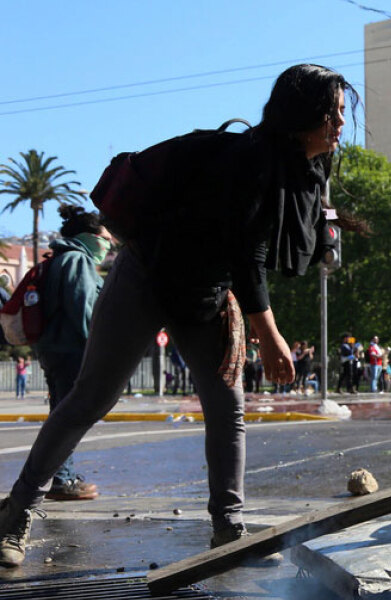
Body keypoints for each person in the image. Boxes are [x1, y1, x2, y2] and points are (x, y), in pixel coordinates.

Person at [0, 63, 357, 568]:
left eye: (343, 112)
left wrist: (333, 229)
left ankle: (228, 528)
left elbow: (280, 240)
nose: (341, 123)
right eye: (333, 112)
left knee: (227, 408)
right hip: (148, 275)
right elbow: (248, 257)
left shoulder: (307, 169)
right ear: (304, 114)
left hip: (205, 293)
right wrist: (270, 335)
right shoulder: (251, 160)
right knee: (89, 399)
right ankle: (16, 512)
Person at [30, 206, 113, 503]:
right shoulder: (77, 260)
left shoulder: (60, 258)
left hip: (55, 348)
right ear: (90, 237)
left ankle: (60, 477)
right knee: (69, 417)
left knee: (61, 414)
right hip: (70, 350)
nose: (109, 244)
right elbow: (84, 309)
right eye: (106, 238)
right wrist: (100, 347)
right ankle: (61, 479)